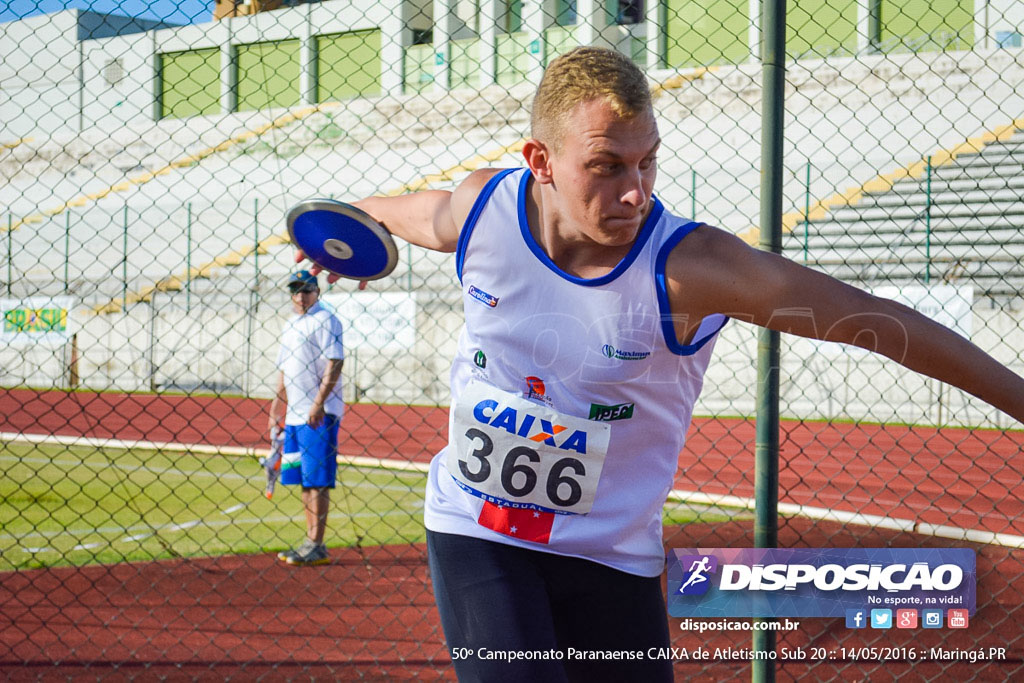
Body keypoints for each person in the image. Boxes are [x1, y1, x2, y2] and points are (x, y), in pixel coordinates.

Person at [300, 47, 1024, 680]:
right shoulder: (482, 209)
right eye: (606, 166)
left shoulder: (690, 268)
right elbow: (403, 215)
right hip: (476, 528)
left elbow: (878, 323)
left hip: (613, 556)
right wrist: (337, 230)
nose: (635, 191)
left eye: (647, 161)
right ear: (540, 162)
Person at [268, 269, 345, 567]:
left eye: (307, 290)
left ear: (317, 292)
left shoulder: (326, 320)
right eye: (296, 291)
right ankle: (310, 539)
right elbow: (284, 370)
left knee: (317, 480)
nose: (301, 296)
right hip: (295, 414)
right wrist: (277, 406)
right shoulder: (291, 324)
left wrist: (318, 404)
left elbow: (335, 362)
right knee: (302, 478)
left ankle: (317, 542)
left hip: (318, 414)